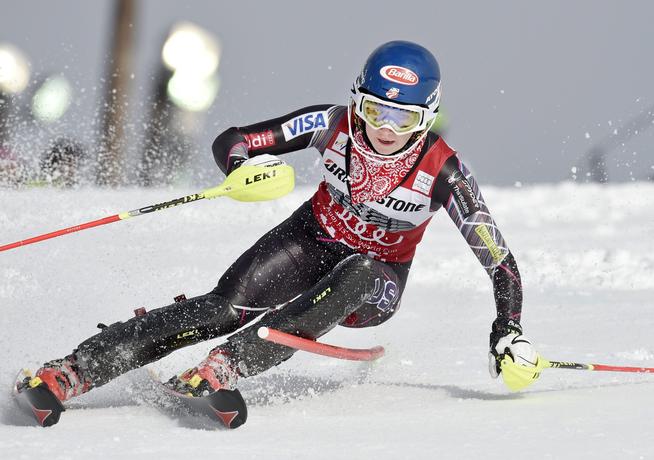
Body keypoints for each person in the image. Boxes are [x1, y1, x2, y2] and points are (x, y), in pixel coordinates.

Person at [26, 41, 540, 417]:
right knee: (220, 308)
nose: (384, 130)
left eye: (402, 119)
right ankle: (76, 368)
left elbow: (500, 262)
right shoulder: (330, 124)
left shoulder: (444, 172)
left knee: (359, 269)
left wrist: (508, 332)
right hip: (310, 238)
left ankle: (229, 364)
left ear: (425, 119)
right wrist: (241, 169)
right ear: (357, 100)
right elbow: (235, 139)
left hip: (375, 283)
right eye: (376, 110)